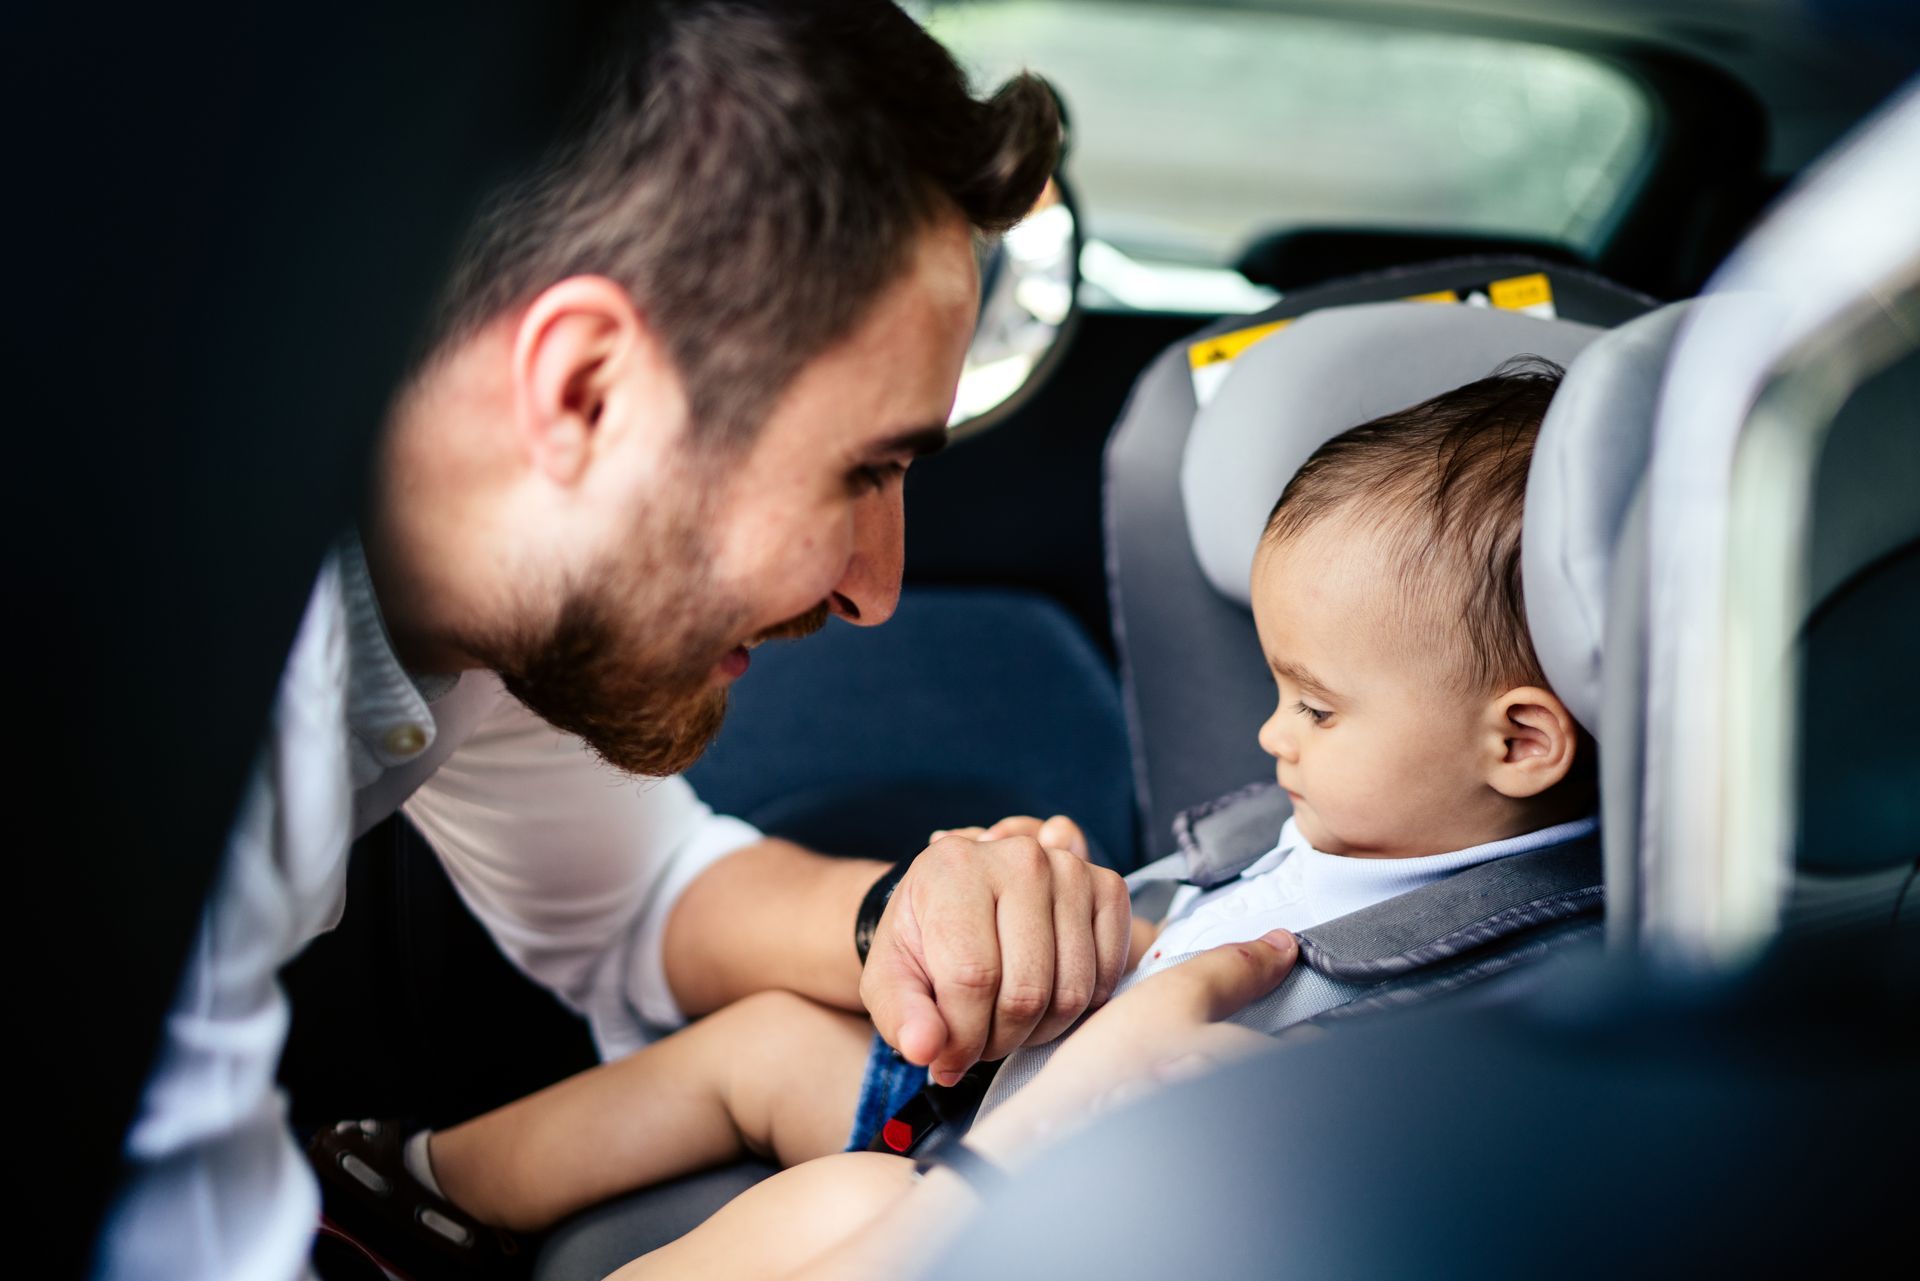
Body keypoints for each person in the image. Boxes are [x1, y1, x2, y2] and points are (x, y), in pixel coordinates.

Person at [92, 7, 1140, 1279]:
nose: (878, 591)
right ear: (585, 389)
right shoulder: (141, 725)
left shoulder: (490, 588)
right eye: (863, 471)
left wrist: (902, 917)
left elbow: (641, 897)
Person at [364, 360, 1599, 1277]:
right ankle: (409, 1186)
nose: (1271, 736)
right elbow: (650, 892)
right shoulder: (1368, 823)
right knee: (764, 1042)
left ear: (1521, 740)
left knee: (839, 1204)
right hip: (1005, 1090)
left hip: (1082, 1196)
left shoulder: (1507, 980)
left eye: (1316, 709)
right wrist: (968, 926)